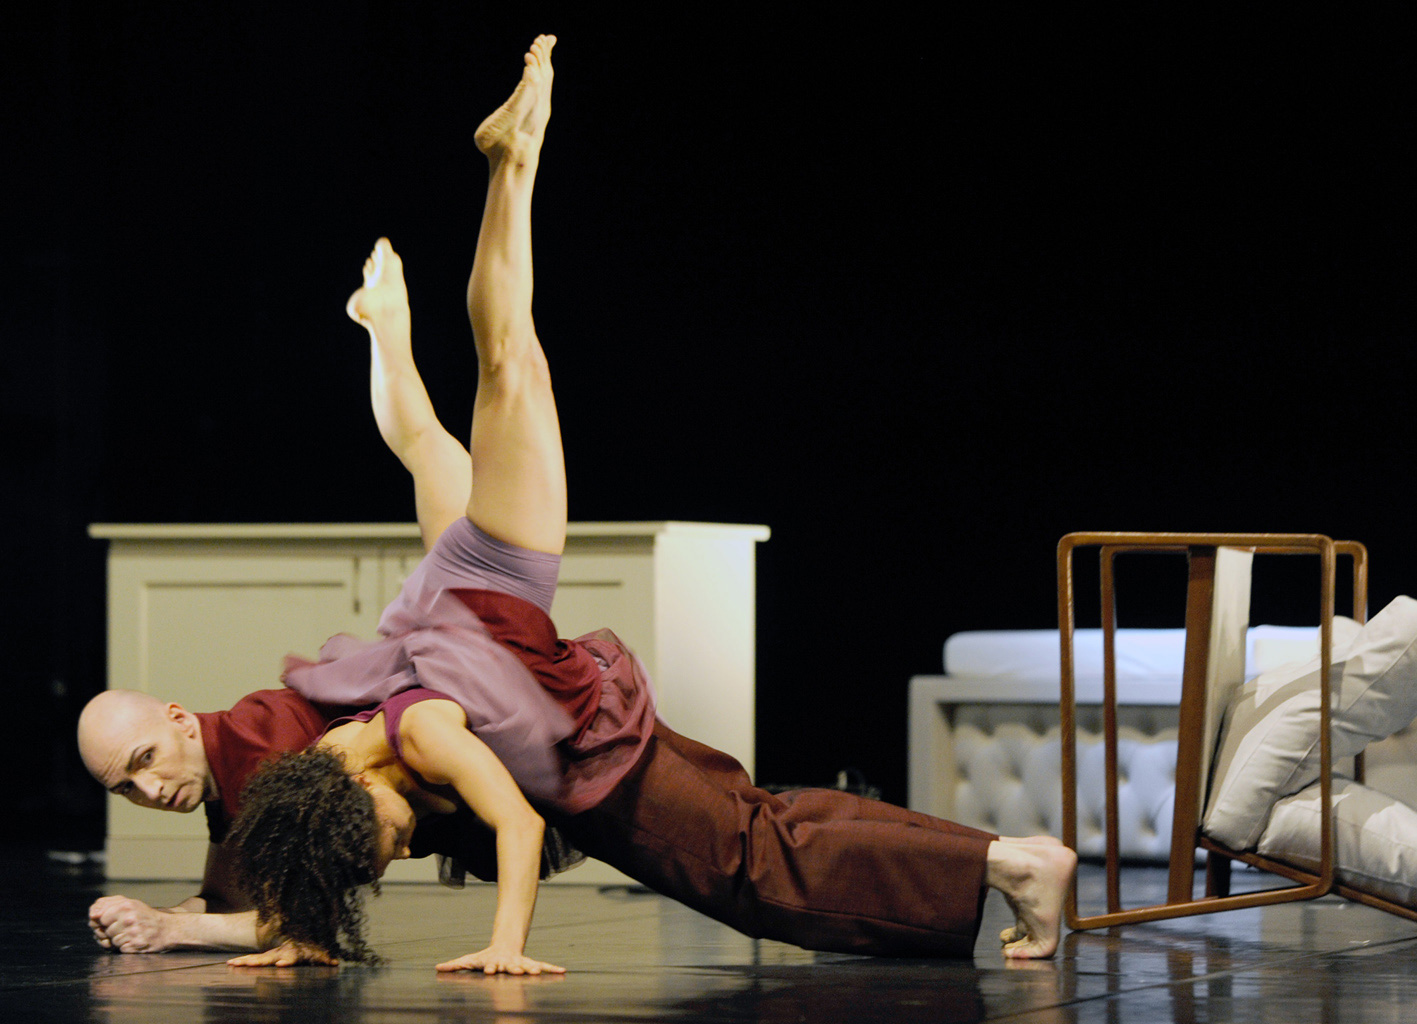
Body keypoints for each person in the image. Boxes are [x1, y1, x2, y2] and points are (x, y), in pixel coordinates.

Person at [222, 35, 1078, 974]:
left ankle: (515, 165)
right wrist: (302, 931)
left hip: (500, 615)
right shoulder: (333, 772)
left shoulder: (400, 742)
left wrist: (503, 947)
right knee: (434, 436)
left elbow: (511, 824)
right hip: (456, 618)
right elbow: (420, 446)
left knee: (509, 363)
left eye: (381, 846)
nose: (392, 858)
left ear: (351, 804)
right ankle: (390, 328)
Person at [77, 685, 354, 951]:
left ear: (180, 719)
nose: (151, 790)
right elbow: (226, 900)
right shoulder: (219, 764)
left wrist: (168, 928)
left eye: (147, 757)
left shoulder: (264, 751)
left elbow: (305, 927)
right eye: (127, 787)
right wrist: (146, 919)